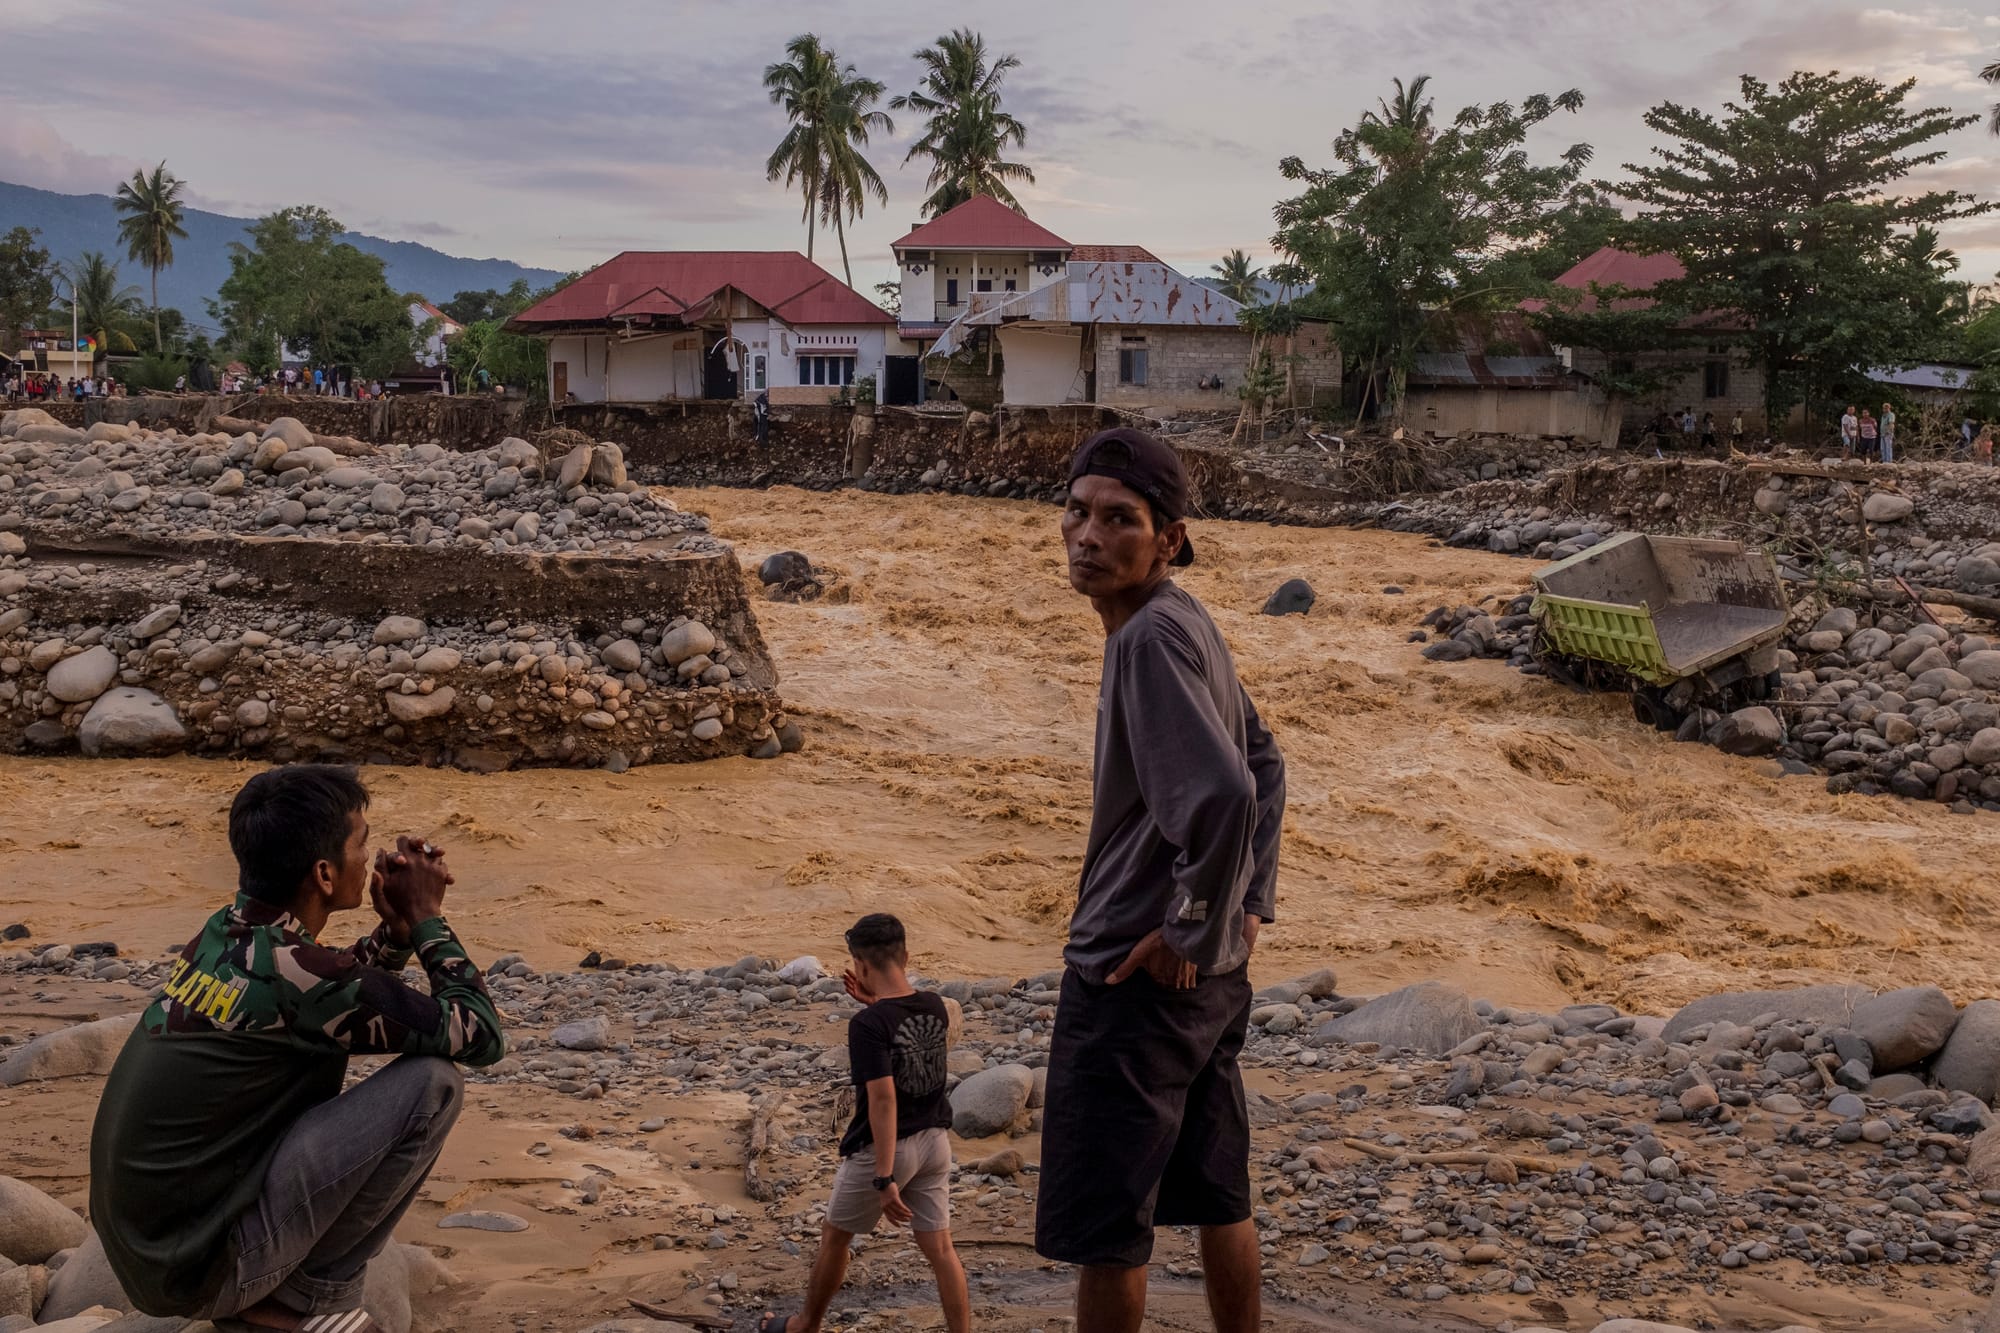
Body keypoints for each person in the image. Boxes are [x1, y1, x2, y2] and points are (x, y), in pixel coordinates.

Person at [89, 765, 505, 1332]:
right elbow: (480, 1034)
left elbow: (331, 989)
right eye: (362, 843)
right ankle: (302, 1302)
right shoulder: (303, 978)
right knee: (434, 1083)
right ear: (325, 874)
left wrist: (396, 935)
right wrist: (428, 918)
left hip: (153, 1252)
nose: (372, 857)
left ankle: (269, 1296)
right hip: (199, 1268)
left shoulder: (224, 934)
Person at [1035, 428, 1286, 1333]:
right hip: (1206, 987)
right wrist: (1244, 909)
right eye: (1076, 512)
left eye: (1118, 519)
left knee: (1109, 1229)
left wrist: (1190, 926)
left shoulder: (1146, 640)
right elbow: (1266, 759)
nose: (1088, 537)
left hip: (1132, 980)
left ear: (1169, 537)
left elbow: (1226, 789)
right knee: (1218, 1192)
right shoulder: (1185, 620)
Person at [761, 915, 968, 1333]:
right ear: (906, 956)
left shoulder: (867, 1026)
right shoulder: (934, 1006)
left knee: (835, 1238)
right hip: (935, 1143)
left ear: (861, 966)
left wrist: (884, 1177)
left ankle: (806, 1325)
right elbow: (910, 1041)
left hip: (889, 1150)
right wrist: (878, 1005)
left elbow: (884, 1098)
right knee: (942, 1250)